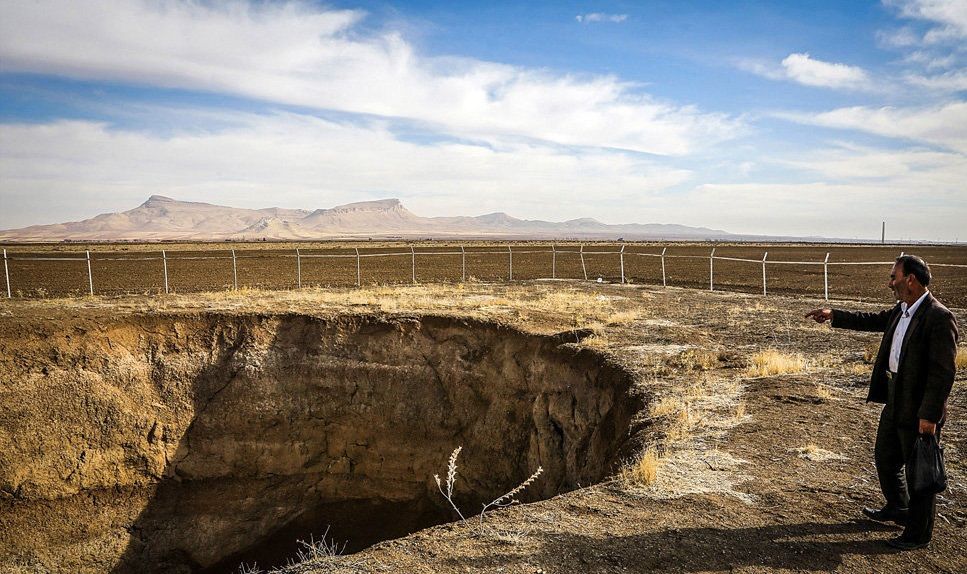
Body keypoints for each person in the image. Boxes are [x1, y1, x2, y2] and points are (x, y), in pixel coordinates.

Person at [805, 254, 958, 550]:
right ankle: (899, 508)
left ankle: (918, 534)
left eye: (893, 277)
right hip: (895, 397)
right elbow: (871, 320)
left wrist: (929, 416)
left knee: (919, 473)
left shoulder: (938, 317)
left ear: (910, 280)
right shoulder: (902, 310)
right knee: (886, 458)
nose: (890, 282)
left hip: (919, 407)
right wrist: (833, 314)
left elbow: (942, 374)